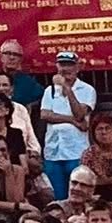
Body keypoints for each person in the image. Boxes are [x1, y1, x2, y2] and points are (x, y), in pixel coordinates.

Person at [37, 53, 96, 202]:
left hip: (76, 151)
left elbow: (80, 114)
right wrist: (71, 120)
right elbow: (45, 115)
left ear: (77, 67)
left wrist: (67, 89)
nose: (66, 69)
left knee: (78, 194)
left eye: (69, 65)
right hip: (53, 151)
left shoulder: (87, 90)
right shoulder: (49, 90)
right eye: (62, 65)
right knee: (57, 196)